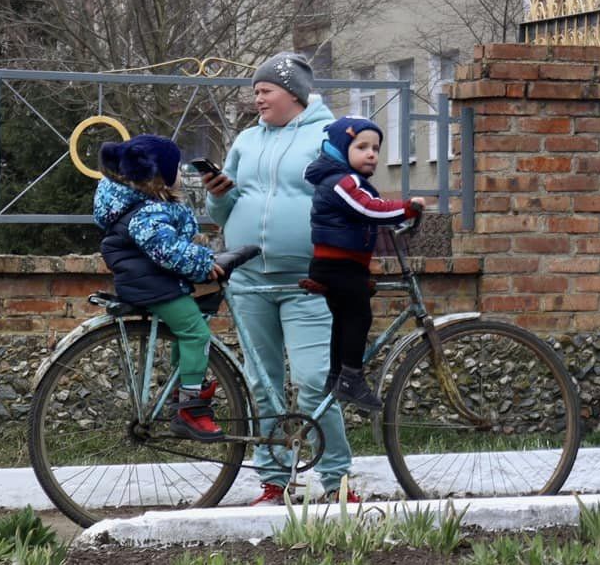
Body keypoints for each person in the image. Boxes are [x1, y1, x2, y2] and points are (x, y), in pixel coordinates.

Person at [203, 53, 353, 502]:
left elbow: (349, 196)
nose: (258, 97)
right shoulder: (247, 140)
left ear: (293, 93)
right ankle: (274, 480)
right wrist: (218, 197)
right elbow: (223, 212)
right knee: (260, 384)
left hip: (308, 281)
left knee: (313, 380)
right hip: (248, 281)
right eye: (256, 91)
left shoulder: (329, 137)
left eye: (265, 90)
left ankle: (337, 481)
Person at [93, 133, 237, 440]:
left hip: (150, 282)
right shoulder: (148, 214)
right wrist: (201, 264)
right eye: (177, 171)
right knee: (196, 332)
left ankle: (181, 386)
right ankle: (190, 407)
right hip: (153, 286)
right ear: (160, 179)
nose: (182, 177)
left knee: (186, 331)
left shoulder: (137, 204)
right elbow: (168, 250)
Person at [303, 116, 419, 411]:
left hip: (343, 266)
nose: (371, 154)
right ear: (342, 149)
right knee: (359, 317)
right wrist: (405, 209)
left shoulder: (347, 180)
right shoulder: (343, 181)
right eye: (362, 146)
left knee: (343, 321)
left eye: (376, 148)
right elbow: (368, 209)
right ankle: (351, 379)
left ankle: (336, 376)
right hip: (337, 266)